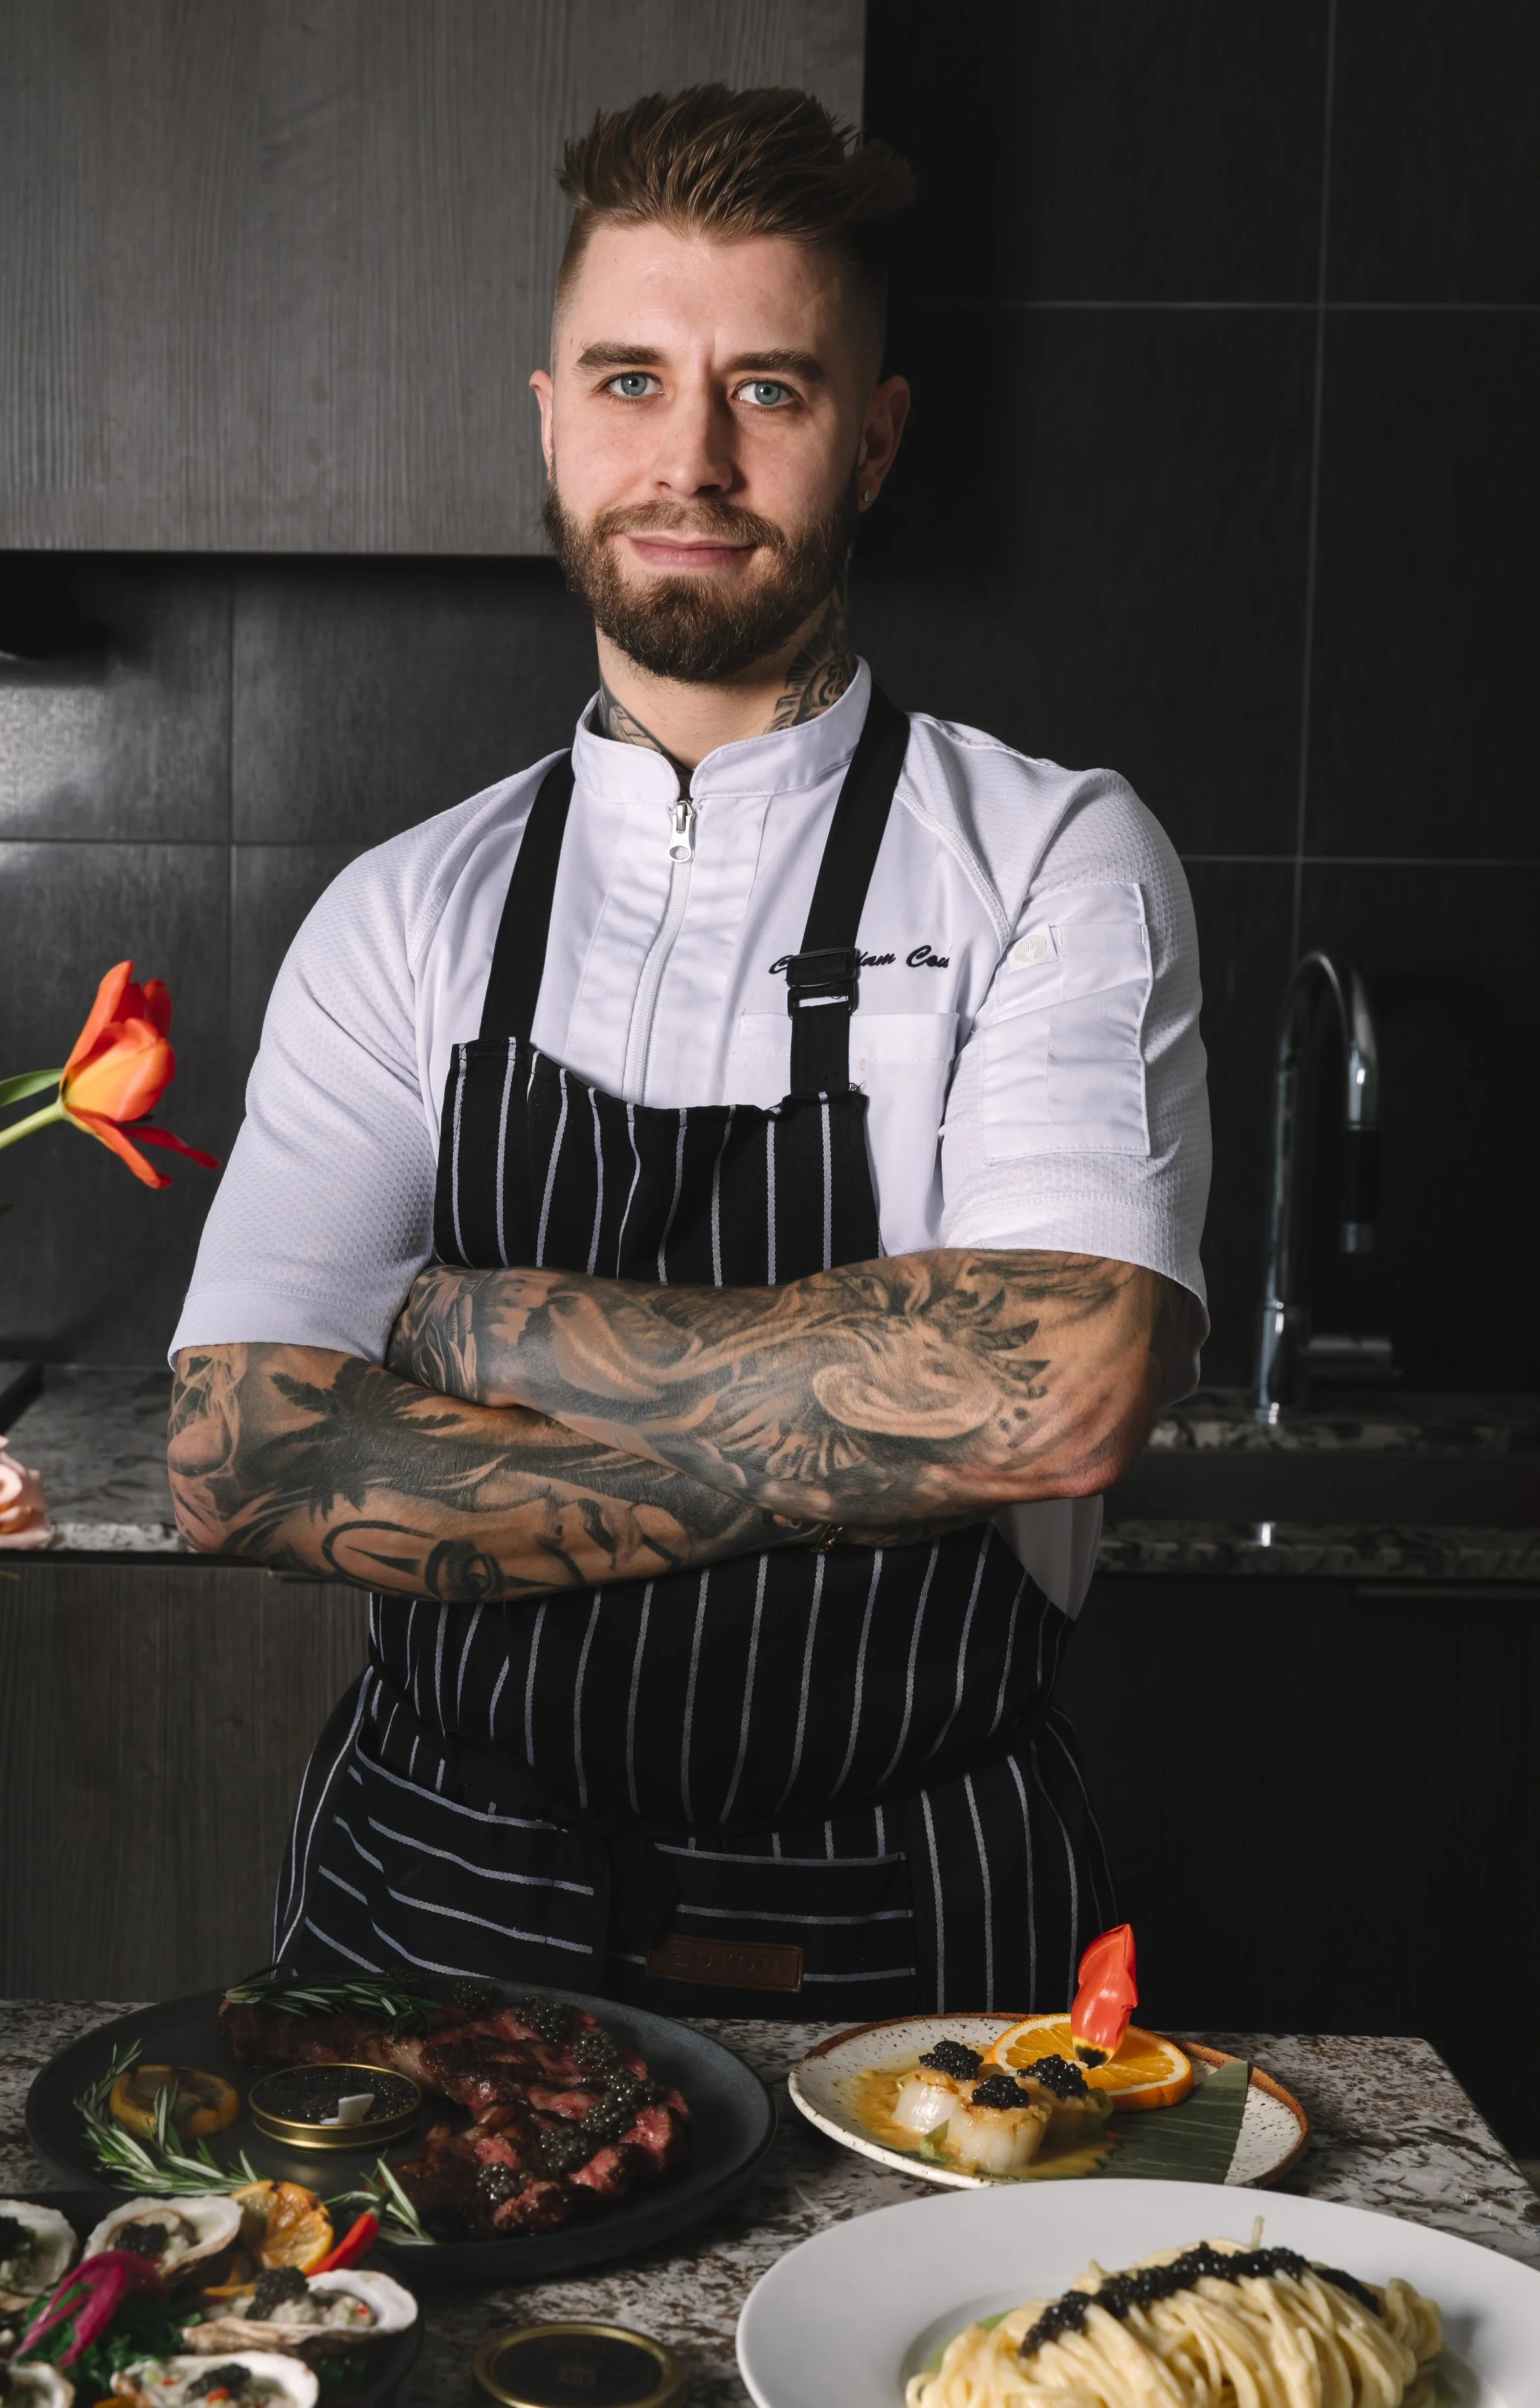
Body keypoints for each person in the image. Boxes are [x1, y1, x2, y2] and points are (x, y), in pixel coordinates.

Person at [167, 85, 1210, 2017]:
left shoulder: (1050, 857)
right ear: (551, 419)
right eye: (633, 382)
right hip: (435, 1910)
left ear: (872, 440)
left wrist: (467, 1327)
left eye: (774, 392)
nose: (695, 460)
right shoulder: (406, 909)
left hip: (904, 1931)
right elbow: (240, 1454)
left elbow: (1057, 1389)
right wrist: (875, 1420)